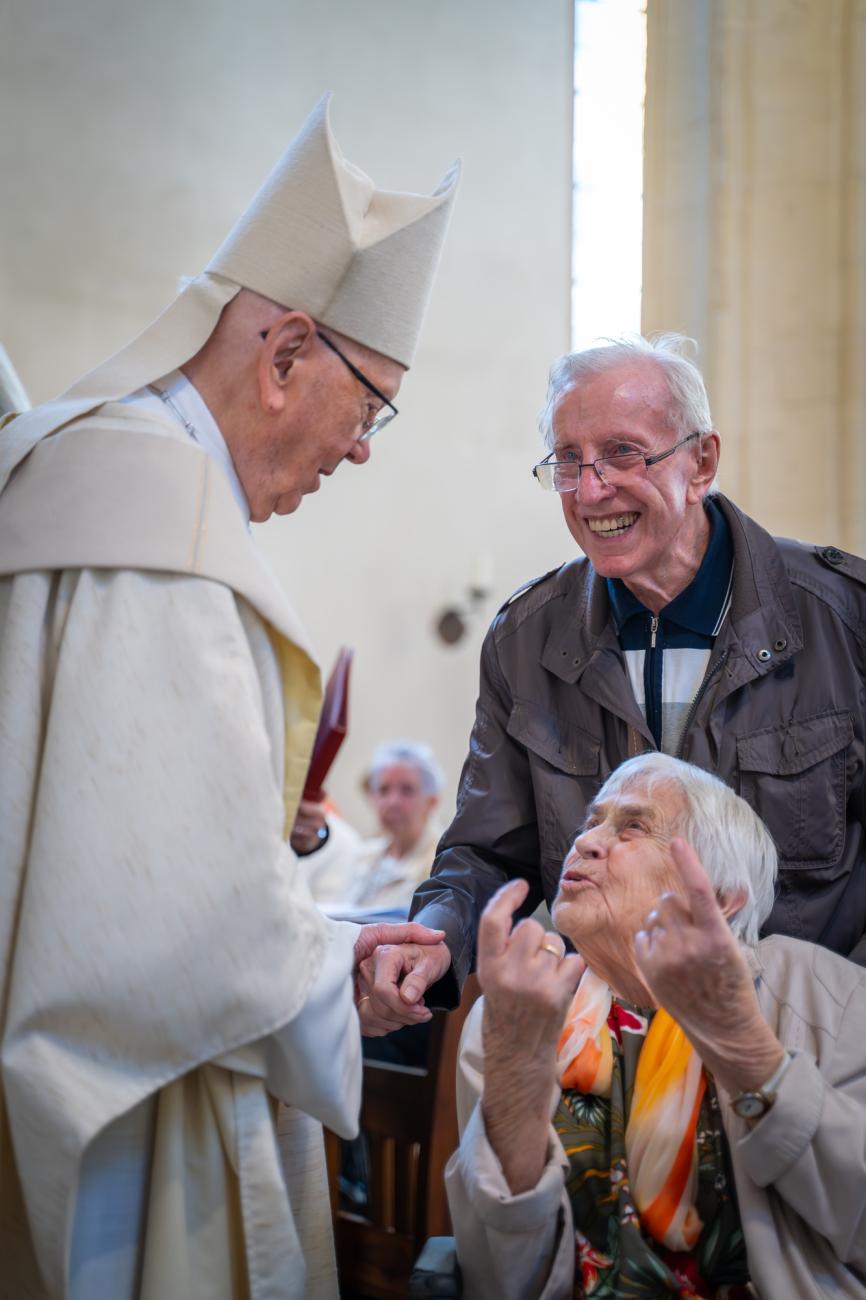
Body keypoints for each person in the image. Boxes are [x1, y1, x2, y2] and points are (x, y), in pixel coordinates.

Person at [0, 98, 458, 1300]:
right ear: (285, 352)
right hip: (144, 1117)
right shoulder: (159, 528)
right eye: (370, 409)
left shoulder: (103, 477)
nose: (361, 451)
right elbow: (167, 936)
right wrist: (338, 974)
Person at [357, 332, 866, 1035]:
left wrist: (843, 1026)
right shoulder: (525, 640)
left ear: (702, 461)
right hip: (606, 1047)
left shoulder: (843, 616)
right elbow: (486, 849)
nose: (593, 490)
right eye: (569, 461)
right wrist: (433, 941)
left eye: (623, 453)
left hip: (810, 1041)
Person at [446, 752, 866, 1299]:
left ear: (718, 894)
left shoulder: (827, 995)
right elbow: (495, 1277)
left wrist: (744, 1047)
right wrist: (516, 1079)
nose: (586, 842)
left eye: (633, 827)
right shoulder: (524, 1008)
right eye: (591, 822)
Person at [292, 740, 445, 911]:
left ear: (432, 801)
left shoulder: (444, 864)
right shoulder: (364, 857)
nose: (393, 802)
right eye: (383, 790)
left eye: (407, 790)